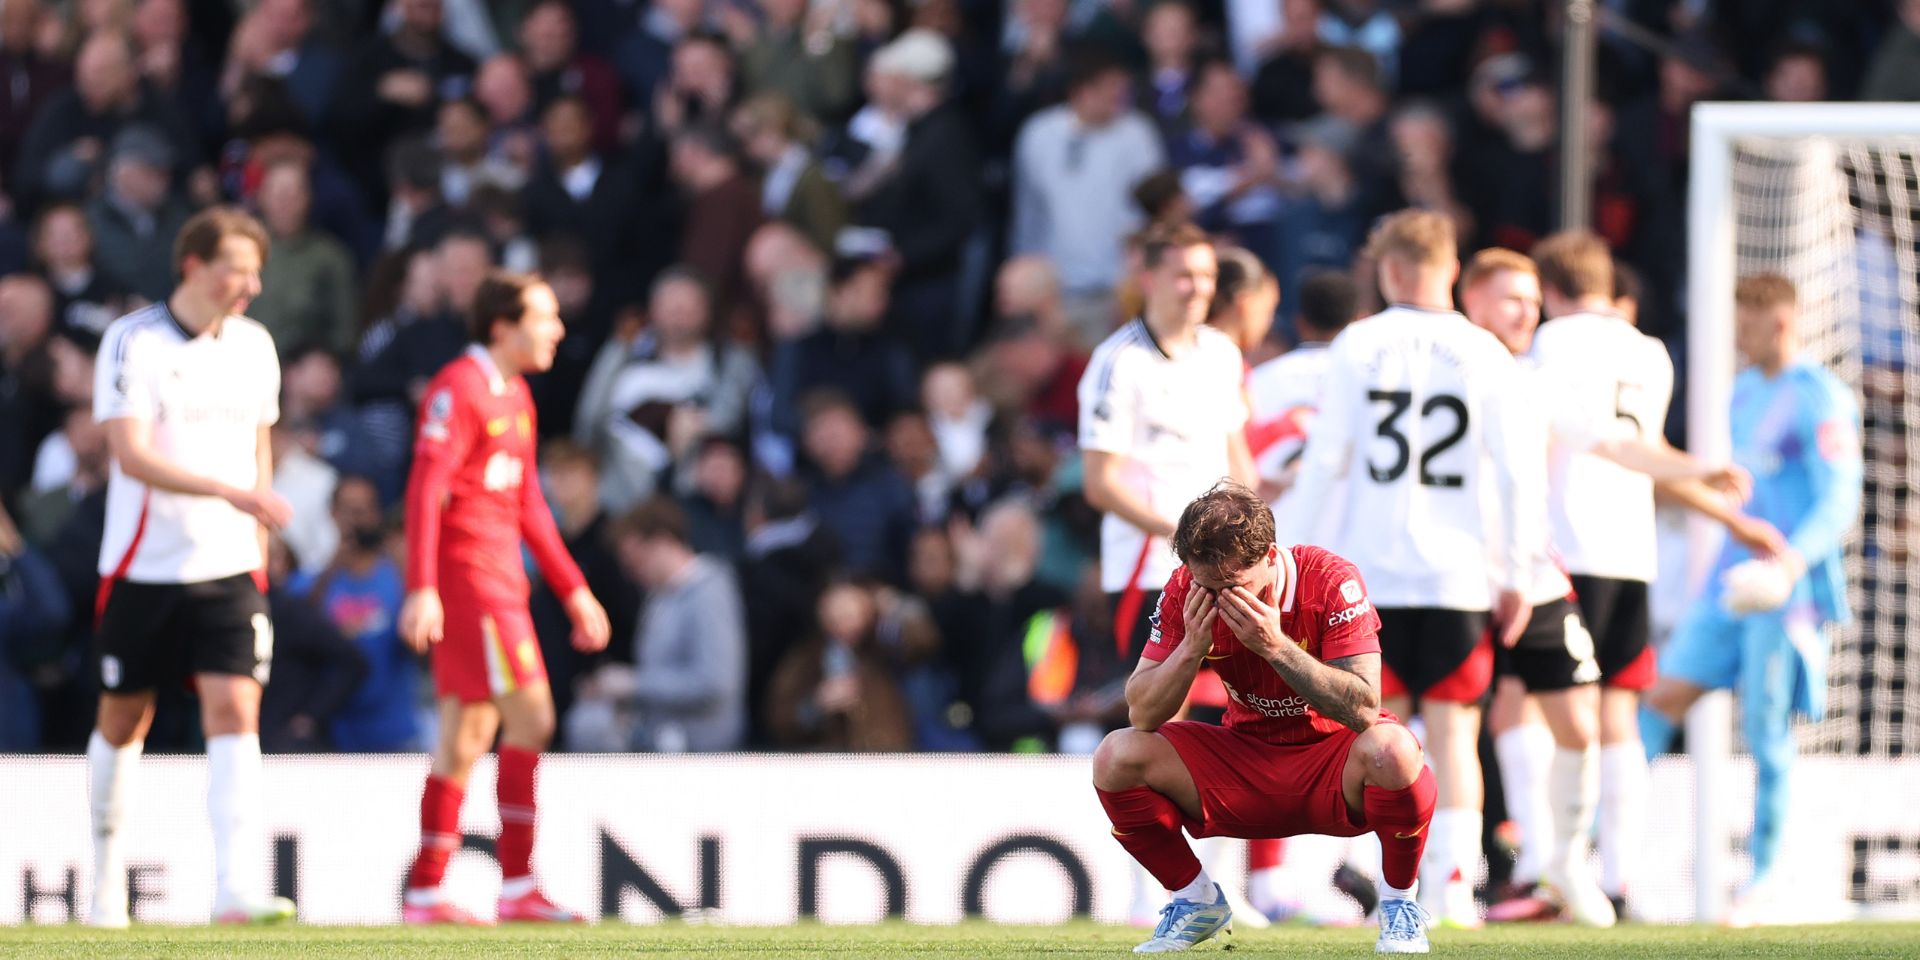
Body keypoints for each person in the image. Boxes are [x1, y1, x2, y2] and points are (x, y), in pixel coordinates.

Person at [1273, 209, 1532, 928]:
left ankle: (1395, 885)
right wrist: (1519, 570)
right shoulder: (1484, 351)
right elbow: (1517, 471)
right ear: (1451, 266)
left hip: (1372, 572)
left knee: (1375, 733)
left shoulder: (1359, 343)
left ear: (1387, 270)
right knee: (1454, 729)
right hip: (1457, 574)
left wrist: (1291, 562)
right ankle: (1454, 886)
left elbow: (1326, 461)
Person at [1091, 481, 1435, 953]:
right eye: (1206, 586)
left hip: (1331, 760)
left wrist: (1274, 646)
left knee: (1393, 750)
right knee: (1116, 754)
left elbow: (1363, 708)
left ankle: (1399, 905)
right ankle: (1195, 900)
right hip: (1246, 756)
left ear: (1270, 557)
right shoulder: (1184, 590)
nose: (1219, 600)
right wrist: (1190, 650)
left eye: (1234, 587)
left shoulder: (1330, 580)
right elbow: (1142, 712)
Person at [1518, 233, 1750, 920]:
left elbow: (1560, 441)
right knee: (1619, 713)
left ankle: (1544, 867)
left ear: (1552, 289)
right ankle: (1618, 877)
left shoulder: (1552, 342)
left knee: (1527, 704)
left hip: (1562, 548)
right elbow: (1646, 452)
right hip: (1631, 551)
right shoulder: (1651, 351)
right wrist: (1717, 499)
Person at [85, 207, 296, 927]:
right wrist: (231, 491)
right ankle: (105, 881)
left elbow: (259, 446)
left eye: (255, 269)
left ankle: (236, 887)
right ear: (194, 266)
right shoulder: (133, 340)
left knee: (237, 709)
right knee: (124, 718)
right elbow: (131, 454)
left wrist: (258, 531)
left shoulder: (256, 346)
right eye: (238, 267)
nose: (251, 284)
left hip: (230, 565)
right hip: (145, 563)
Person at [1640, 273, 1861, 927]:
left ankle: (1763, 880)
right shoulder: (1743, 391)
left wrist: (1792, 562)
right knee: (1659, 700)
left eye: (1745, 320)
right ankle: (1605, 860)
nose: (1736, 333)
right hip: (1726, 584)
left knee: (1766, 735)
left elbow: (1840, 496)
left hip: (1781, 592)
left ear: (1779, 320)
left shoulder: (1819, 395)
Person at [397, 269, 613, 924]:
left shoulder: (515, 393)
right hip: (472, 583)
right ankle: (515, 884)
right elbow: (425, 489)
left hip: (501, 581)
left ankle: (427, 890)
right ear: (502, 326)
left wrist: (574, 589)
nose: (557, 330)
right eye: (543, 317)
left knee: (467, 736)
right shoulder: (459, 389)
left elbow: (529, 504)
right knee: (533, 718)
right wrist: (423, 588)